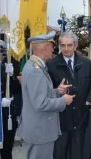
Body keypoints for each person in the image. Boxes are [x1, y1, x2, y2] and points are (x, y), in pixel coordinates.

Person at [17, 31, 74, 159]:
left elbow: (38, 95)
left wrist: (57, 91)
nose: (52, 51)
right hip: (40, 130)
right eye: (51, 47)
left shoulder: (35, 67)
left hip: (40, 128)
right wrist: (63, 100)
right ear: (45, 48)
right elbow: (40, 103)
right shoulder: (35, 71)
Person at [46, 31, 91, 159]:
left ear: (75, 46)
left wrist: (89, 101)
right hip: (60, 119)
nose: (66, 48)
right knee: (60, 153)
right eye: (63, 45)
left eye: (69, 45)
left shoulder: (85, 63)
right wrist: (57, 91)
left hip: (81, 118)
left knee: (78, 154)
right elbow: (47, 91)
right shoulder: (51, 64)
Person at [0, 40, 22, 159]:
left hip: (8, 113)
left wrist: (12, 76)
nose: (1, 55)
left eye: (2, 53)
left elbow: (17, 89)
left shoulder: (9, 64)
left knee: (7, 149)